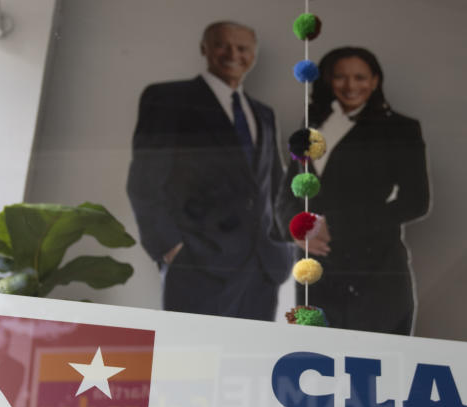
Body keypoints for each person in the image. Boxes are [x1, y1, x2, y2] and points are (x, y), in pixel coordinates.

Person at [127, 21, 290, 320]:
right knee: (194, 358)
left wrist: (285, 244)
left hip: (263, 267)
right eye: (222, 45)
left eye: (242, 48)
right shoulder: (167, 99)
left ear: (254, 54)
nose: (233, 54)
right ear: (204, 48)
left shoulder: (264, 114)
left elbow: (273, 184)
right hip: (198, 264)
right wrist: (170, 249)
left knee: (247, 360)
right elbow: (144, 183)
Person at [276, 47, 430, 335]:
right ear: (328, 81)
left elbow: (416, 202)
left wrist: (330, 224)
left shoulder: (400, 129)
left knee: (378, 366)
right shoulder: (310, 125)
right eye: (340, 77)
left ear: (375, 81)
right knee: (314, 366)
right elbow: (288, 191)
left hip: (375, 270)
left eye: (360, 77)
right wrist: (297, 228)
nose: (351, 86)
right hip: (316, 270)